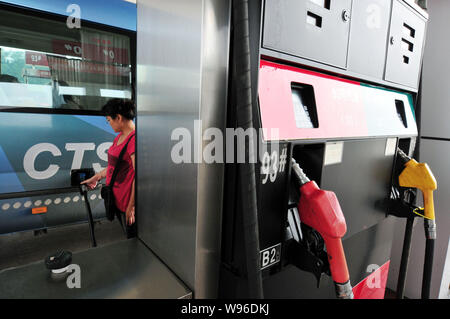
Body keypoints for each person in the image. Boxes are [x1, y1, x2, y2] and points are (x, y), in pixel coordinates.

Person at [81, 98, 136, 238]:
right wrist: (97, 176)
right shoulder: (119, 137)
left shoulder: (134, 140)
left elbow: (138, 176)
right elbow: (114, 166)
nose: (109, 124)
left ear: (118, 118)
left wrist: (132, 205)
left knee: (132, 239)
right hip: (115, 198)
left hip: (126, 201)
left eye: (108, 120)